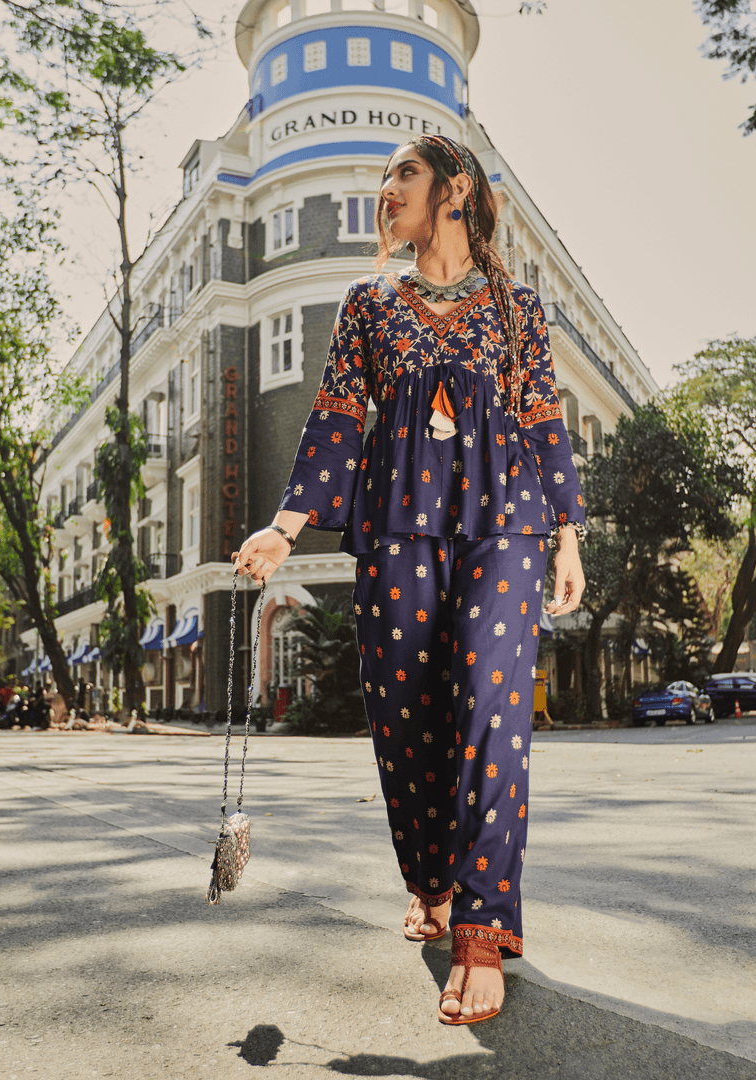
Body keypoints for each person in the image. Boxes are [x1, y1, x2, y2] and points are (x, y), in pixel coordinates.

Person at [233, 135, 586, 1026]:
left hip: (505, 524)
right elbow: (337, 418)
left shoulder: (516, 309)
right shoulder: (368, 306)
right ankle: (430, 879)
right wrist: (284, 528)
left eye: (403, 175)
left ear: (453, 188)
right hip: (395, 527)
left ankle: (481, 930)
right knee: (404, 715)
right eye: (385, 178)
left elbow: (544, 417)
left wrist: (569, 536)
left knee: (489, 713)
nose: (385, 191)